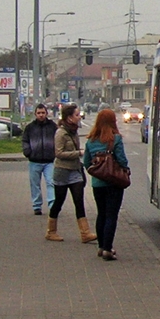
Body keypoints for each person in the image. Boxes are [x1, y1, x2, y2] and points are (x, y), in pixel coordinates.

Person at [45, 104, 97, 244]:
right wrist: (78, 153)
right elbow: (59, 153)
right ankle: (51, 231)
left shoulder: (74, 131)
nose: (79, 117)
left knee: (79, 201)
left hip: (75, 170)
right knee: (59, 201)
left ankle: (85, 233)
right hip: (62, 171)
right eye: (76, 115)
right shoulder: (61, 133)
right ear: (69, 118)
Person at [83, 109, 130, 261]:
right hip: (114, 183)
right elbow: (122, 160)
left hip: (97, 184)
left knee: (101, 214)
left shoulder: (90, 141)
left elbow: (86, 162)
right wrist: (125, 170)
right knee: (111, 215)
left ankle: (101, 246)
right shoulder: (115, 139)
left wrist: (98, 172)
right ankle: (108, 250)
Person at [21, 104, 57, 215]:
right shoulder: (30, 127)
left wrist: (55, 152)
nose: (41, 115)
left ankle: (52, 205)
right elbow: (25, 141)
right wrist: (27, 152)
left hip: (49, 161)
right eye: (39, 113)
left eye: (43, 113)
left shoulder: (52, 126)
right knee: (35, 184)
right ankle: (37, 205)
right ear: (35, 114)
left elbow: (58, 139)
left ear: (46, 113)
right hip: (34, 161)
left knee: (51, 182)